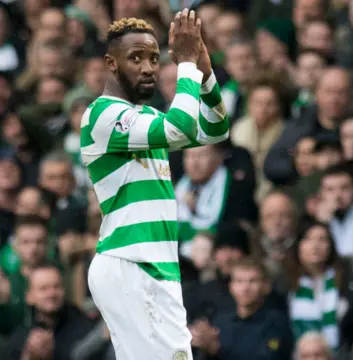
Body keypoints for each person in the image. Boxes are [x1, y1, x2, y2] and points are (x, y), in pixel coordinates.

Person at [80, 10, 229, 360]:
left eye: (153, 58)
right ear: (110, 63)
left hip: (153, 266)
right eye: (135, 58)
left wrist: (205, 74)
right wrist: (188, 64)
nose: (148, 67)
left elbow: (215, 129)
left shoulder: (145, 119)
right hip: (131, 261)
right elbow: (179, 128)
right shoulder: (102, 115)